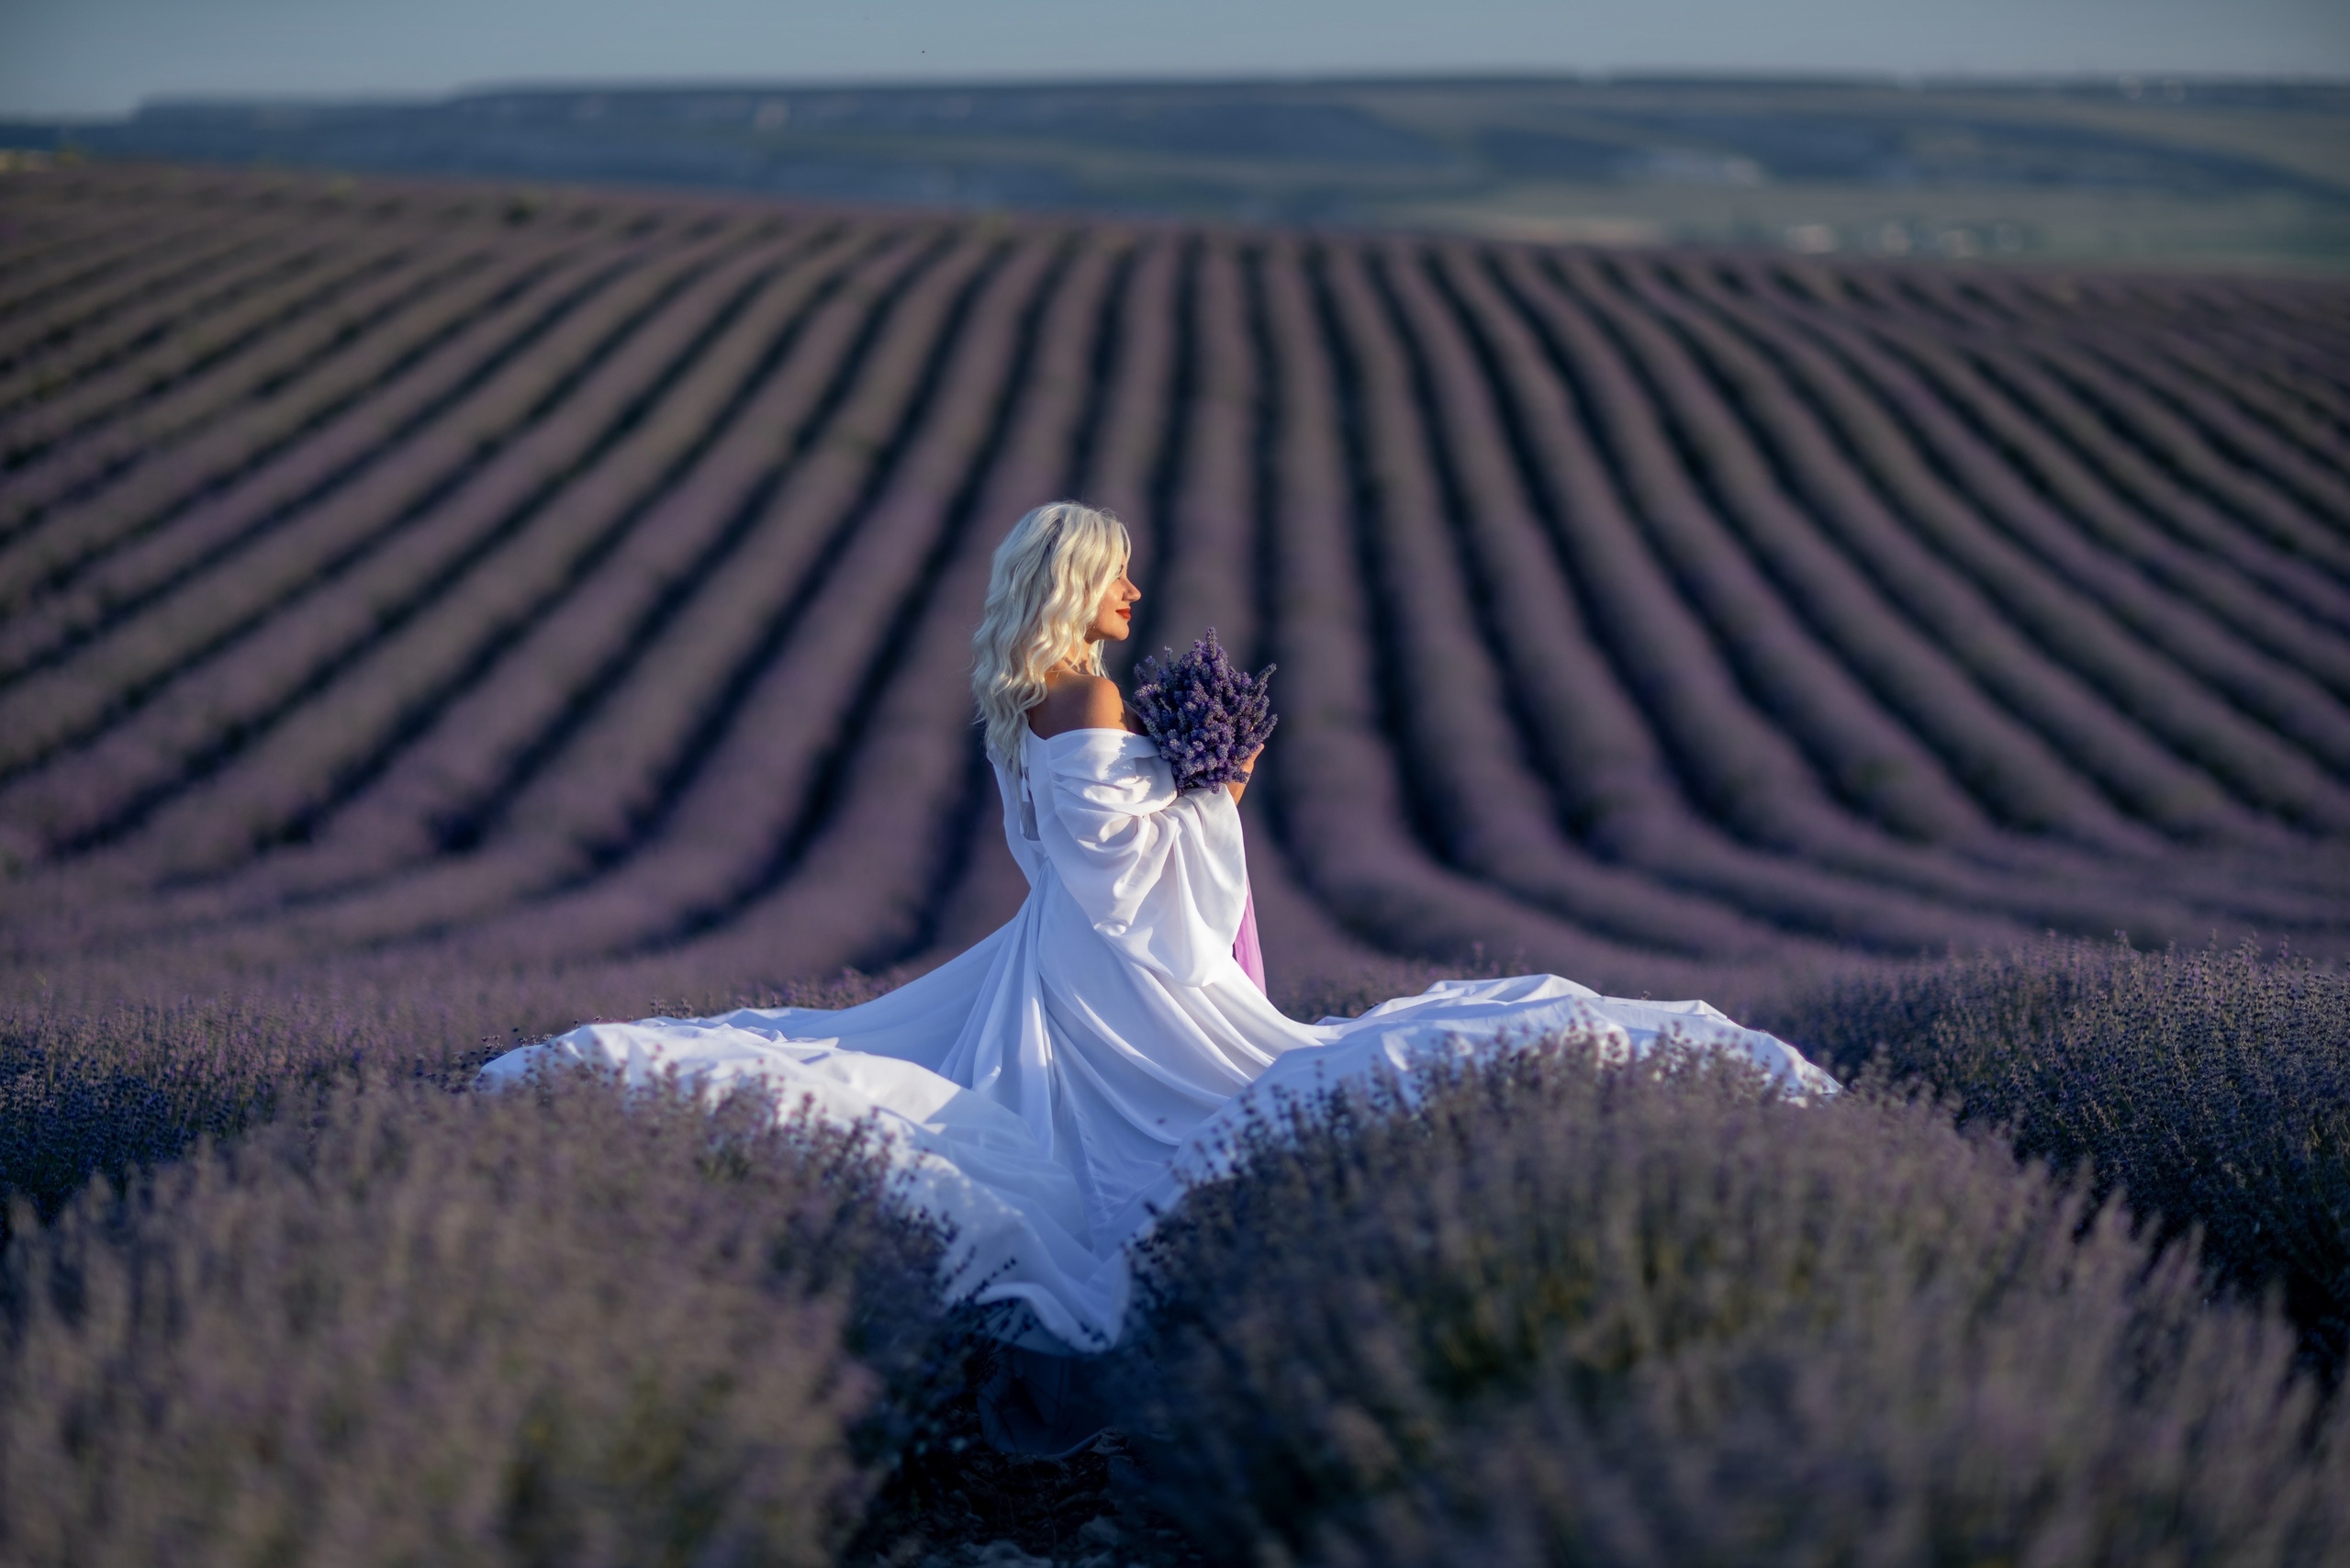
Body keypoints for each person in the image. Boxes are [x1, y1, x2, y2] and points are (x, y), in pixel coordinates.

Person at [480, 501, 1834, 1366]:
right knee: (1201, 1108)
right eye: (1120, 579)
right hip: (1109, 977)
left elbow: (1077, 855)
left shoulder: (1036, 691)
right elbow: (1121, 873)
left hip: (1057, 959)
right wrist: (1223, 795)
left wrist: (1187, 792)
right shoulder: (1092, 698)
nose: (1136, 595)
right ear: (1078, 589)